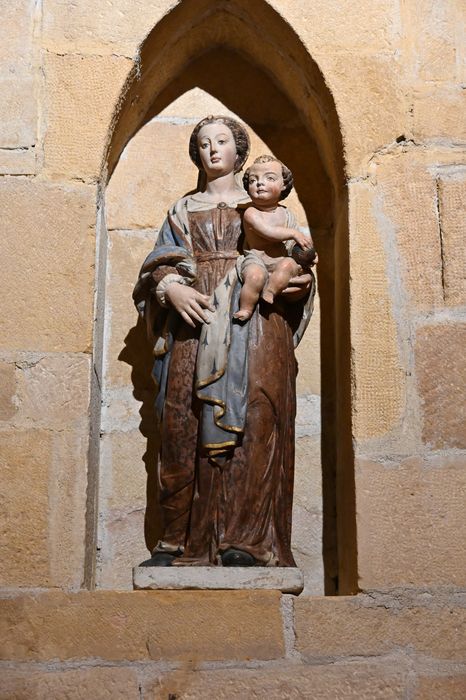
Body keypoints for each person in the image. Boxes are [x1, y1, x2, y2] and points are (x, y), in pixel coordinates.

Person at [133, 115, 315, 567]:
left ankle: (247, 541)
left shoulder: (268, 206)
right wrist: (169, 287)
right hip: (196, 319)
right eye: (202, 144)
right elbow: (159, 263)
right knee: (182, 420)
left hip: (256, 322)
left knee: (257, 420)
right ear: (196, 154)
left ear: (239, 150)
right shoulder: (181, 211)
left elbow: (300, 263)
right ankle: (179, 539)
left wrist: (299, 282)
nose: (212, 150)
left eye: (221, 142)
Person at [234, 155, 316, 321]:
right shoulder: (251, 213)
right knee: (255, 277)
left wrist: (309, 253)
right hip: (256, 259)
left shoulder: (286, 214)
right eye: (253, 180)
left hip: (279, 260)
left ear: (283, 184)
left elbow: (294, 243)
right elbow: (268, 232)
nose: (259, 183)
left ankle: (270, 292)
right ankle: (246, 308)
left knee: (287, 265)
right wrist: (293, 234)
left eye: (269, 178)